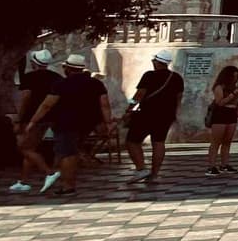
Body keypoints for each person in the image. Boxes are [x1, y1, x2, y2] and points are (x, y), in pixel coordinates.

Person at [24, 54, 111, 198]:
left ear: (68, 68)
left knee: (67, 154)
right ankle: (63, 178)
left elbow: (47, 105)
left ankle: (68, 186)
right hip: (87, 123)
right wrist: (108, 123)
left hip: (66, 123)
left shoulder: (62, 84)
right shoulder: (96, 83)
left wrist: (32, 122)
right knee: (70, 152)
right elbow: (105, 105)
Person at [124, 49, 184, 184]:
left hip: (147, 113)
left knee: (132, 141)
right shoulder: (176, 77)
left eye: (154, 60)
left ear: (158, 62)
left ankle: (141, 168)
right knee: (158, 142)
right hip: (166, 115)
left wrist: (129, 108)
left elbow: (139, 95)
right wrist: (174, 113)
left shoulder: (149, 76)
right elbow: (178, 98)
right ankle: (154, 174)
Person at [11, 49, 61, 194]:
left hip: (35, 117)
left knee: (24, 147)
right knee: (30, 148)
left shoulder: (29, 78)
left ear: (34, 63)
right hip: (53, 116)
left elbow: (25, 98)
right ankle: (23, 181)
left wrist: (19, 118)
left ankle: (49, 172)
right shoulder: (57, 77)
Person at [205, 65, 238, 175]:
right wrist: (234, 94)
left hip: (231, 114)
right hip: (220, 114)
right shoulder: (219, 87)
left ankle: (224, 164)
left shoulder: (234, 87)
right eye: (233, 76)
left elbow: (235, 101)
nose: (236, 79)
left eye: (237, 76)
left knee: (227, 141)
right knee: (216, 142)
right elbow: (220, 102)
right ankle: (211, 166)